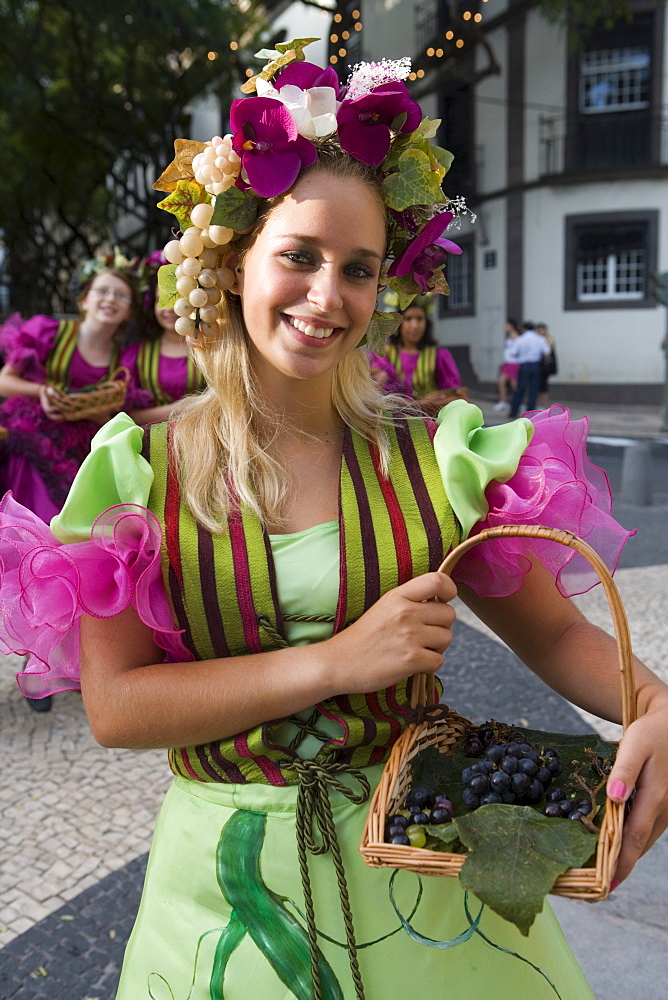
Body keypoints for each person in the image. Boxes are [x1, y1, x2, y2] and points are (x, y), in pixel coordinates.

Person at [1, 45, 667, 1000]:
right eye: (299, 257)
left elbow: (557, 631)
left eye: (359, 270)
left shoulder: (439, 455)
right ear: (234, 265)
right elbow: (116, 708)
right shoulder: (140, 472)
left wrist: (657, 704)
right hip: (226, 895)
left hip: (425, 881)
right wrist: (337, 661)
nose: (327, 297)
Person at [0, 265, 144, 712]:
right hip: (34, 454)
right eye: (102, 291)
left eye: (119, 296)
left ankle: (64, 660)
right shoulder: (47, 336)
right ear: (84, 299)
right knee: (33, 552)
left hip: (79, 463)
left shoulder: (125, 360)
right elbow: (3, 382)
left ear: (125, 311)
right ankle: (33, 660)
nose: (109, 300)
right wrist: (41, 392)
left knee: (70, 558)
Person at [125, 254, 205, 426]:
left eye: (177, 298)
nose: (168, 308)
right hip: (151, 446)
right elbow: (124, 417)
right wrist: (181, 408)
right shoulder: (136, 354)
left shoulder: (211, 347)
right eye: (160, 299)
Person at [368, 301, 464, 416]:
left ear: (426, 323)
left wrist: (416, 404)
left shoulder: (438, 355)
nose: (415, 325)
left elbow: (455, 395)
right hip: (391, 421)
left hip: (429, 421)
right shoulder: (382, 354)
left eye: (420, 319)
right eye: (408, 319)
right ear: (398, 323)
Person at [508, 321, 552, 418]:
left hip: (523, 365)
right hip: (535, 366)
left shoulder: (520, 339)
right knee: (533, 390)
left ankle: (513, 412)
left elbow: (513, 353)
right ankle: (530, 415)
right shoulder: (540, 339)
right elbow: (547, 353)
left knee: (520, 389)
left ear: (524, 329)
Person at [494, 318, 520, 412]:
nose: (505, 327)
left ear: (511, 326)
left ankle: (518, 402)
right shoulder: (509, 336)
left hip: (514, 364)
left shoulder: (516, 336)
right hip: (507, 363)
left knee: (514, 385)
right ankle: (504, 401)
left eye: (506, 325)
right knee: (501, 382)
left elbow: (517, 350)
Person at [537, 322, 557, 409]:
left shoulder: (549, 339)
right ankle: (539, 403)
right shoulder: (536, 339)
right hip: (538, 364)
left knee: (543, 386)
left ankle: (543, 404)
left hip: (545, 366)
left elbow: (549, 351)